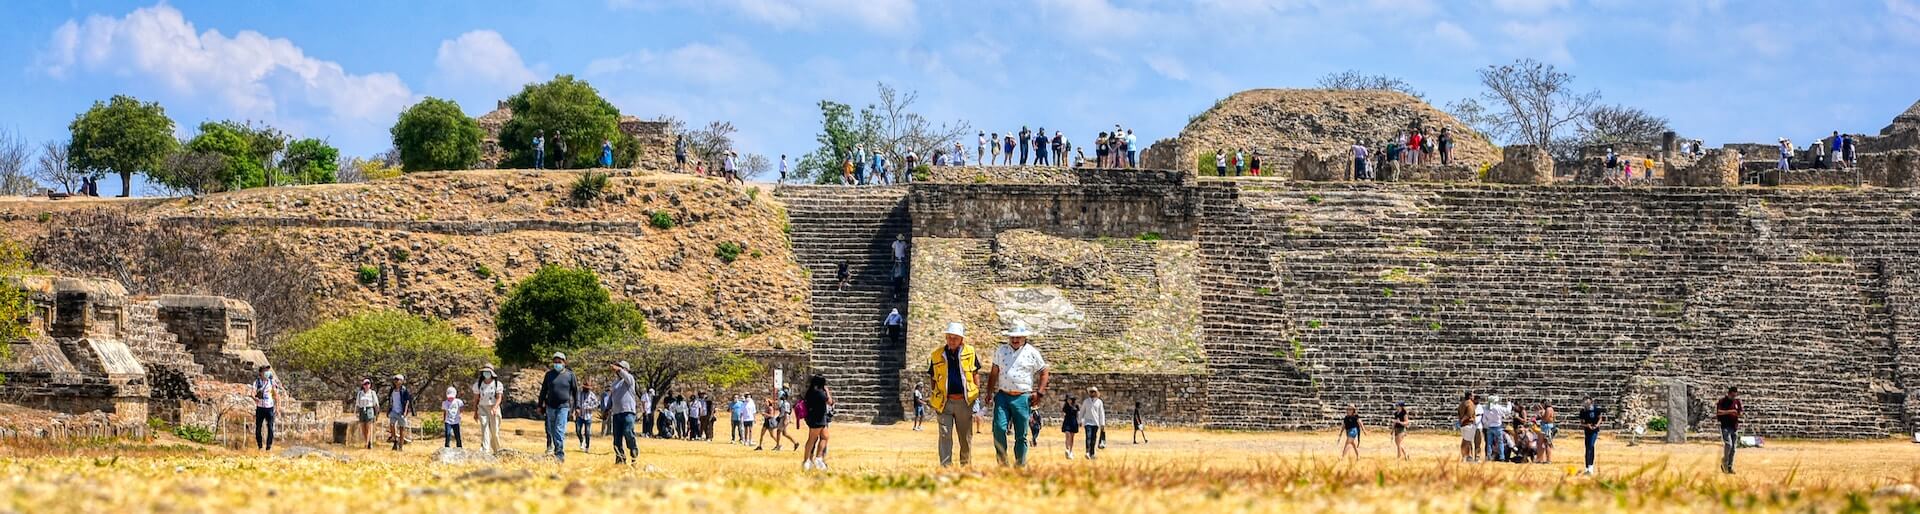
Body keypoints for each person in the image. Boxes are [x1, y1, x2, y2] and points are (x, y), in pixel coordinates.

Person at [987, 321, 1049, 467]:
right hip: (1003, 395)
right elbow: (994, 372)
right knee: (999, 428)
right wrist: (989, 392)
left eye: (1018, 337)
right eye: (1012, 337)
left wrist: (1039, 393)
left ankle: (1020, 464)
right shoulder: (1001, 350)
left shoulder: (1032, 352)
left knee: (1021, 434)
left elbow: (1044, 371)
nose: (1015, 340)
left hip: (1022, 397)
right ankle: (1002, 462)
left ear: (1024, 337)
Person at [929, 322, 982, 467]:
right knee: (945, 435)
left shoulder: (970, 352)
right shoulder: (937, 355)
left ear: (961, 340)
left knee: (965, 437)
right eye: (949, 337)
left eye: (955, 338)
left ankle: (965, 466)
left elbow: (975, 374)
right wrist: (935, 394)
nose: (952, 340)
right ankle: (946, 467)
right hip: (945, 402)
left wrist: (976, 395)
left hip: (964, 402)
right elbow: (933, 377)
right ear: (946, 338)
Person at [538, 352, 580, 463]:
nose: (557, 364)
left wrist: (577, 406)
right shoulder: (549, 375)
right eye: (555, 362)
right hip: (550, 406)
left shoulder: (570, 375)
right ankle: (553, 448)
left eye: (559, 362)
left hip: (564, 407)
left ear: (564, 362)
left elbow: (576, 392)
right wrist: (540, 404)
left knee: (559, 430)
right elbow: (543, 391)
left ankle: (560, 454)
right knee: (551, 429)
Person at [605, 360, 639, 464]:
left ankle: (633, 448)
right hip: (616, 413)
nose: (617, 370)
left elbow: (624, 374)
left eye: (621, 368)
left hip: (628, 411)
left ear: (626, 369)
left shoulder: (629, 379)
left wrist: (619, 369)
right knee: (617, 438)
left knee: (628, 431)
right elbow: (612, 397)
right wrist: (607, 409)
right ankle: (620, 458)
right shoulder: (615, 383)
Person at [801, 374, 834, 470]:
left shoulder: (810, 392)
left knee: (825, 437)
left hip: (814, 418)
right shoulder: (819, 393)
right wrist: (827, 391)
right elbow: (830, 402)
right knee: (812, 439)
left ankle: (818, 458)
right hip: (818, 418)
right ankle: (807, 460)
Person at [471, 365, 503, 453]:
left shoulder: (497, 384)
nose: (486, 374)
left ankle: (497, 450)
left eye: (488, 372)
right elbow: (476, 399)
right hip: (482, 408)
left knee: (494, 431)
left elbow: (499, 398)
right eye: (485, 372)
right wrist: (475, 412)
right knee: (484, 427)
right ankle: (485, 449)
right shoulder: (478, 385)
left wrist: (495, 407)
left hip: (493, 408)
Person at [1715, 387, 1742, 474]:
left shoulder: (1737, 402)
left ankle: (1729, 467)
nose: (1734, 397)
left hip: (1734, 427)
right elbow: (1719, 412)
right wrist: (1730, 412)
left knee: (1733, 448)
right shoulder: (1722, 401)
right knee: (1728, 445)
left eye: (1735, 395)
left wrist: (1738, 414)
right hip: (1726, 427)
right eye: (1732, 395)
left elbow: (1740, 412)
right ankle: (1724, 462)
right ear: (1729, 393)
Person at [251, 365, 279, 451]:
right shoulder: (257, 382)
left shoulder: (271, 382)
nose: (267, 373)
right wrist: (254, 398)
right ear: (260, 373)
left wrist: (277, 408)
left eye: (268, 371)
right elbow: (252, 392)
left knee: (270, 427)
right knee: (258, 428)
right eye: (265, 371)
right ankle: (260, 446)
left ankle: (268, 447)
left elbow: (276, 395)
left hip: (269, 407)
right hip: (260, 408)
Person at [386, 374, 414, 451]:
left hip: (401, 412)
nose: (396, 381)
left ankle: (400, 446)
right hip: (394, 411)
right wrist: (388, 410)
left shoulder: (404, 390)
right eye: (395, 379)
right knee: (392, 425)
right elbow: (390, 400)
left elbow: (407, 401)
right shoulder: (392, 390)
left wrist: (405, 411)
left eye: (398, 379)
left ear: (401, 381)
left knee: (402, 429)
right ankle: (395, 440)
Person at [352, 378, 379, 449]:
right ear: (363, 385)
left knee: (368, 427)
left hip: (369, 409)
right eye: (365, 384)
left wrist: (376, 413)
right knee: (363, 427)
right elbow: (357, 403)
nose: (367, 385)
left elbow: (376, 404)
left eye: (368, 383)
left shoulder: (372, 393)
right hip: (362, 410)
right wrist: (356, 412)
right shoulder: (360, 393)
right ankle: (368, 441)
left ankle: (367, 443)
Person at [1481, 394, 1509, 462]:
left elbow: (1484, 420)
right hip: (1498, 427)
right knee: (1500, 442)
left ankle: (1489, 456)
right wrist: (1509, 404)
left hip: (1490, 427)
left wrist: (1487, 424)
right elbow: (1508, 411)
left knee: (1489, 443)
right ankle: (1502, 457)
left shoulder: (1485, 408)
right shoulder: (1498, 407)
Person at [1578, 396, 1602, 475]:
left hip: (1594, 430)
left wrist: (1597, 425)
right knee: (1587, 448)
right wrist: (1587, 425)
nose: (1586, 404)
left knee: (1591, 446)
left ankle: (1591, 467)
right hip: (1587, 430)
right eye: (1585, 402)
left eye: (1587, 402)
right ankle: (1587, 467)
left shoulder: (1596, 409)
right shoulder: (1583, 411)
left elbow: (1600, 418)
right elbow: (1582, 423)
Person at [1080, 388, 1106, 460]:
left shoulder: (1099, 402)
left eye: (1093, 392)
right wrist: (1080, 420)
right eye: (1091, 392)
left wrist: (1102, 424)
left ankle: (1092, 453)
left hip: (1095, 423)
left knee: (1093, 438)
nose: (1092, 393)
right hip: (1088, 422)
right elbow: (1082, 411)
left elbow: (1101, 413)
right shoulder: (1086, 401)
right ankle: (1087, 452)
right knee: (1088, 436)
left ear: (1096, 393)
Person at [575, 379, 599, 452]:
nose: (586, 389)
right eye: (585, 388)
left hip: (588, 416)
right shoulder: (579, 394)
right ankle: (582, 440)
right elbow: (575, 402)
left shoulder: (592, 395)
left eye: (587, 388)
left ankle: (587, 446)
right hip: (580, 416)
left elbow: (597, 403)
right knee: (578, 430)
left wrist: (590, 407)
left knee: (587, 432)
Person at [1457, 392, 1476, 462]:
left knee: (1464, 441)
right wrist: (1462, 420)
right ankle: (1465, 457)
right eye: (1473, 395)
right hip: (1468, 424)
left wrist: (1460, 421)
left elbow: (1458, 413)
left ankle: (1466, 456)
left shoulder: (1462, 403)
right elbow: (1469, 415)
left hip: (1463, 425)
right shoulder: (1470, 404)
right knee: (1467, 442)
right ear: (1470, 396)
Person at [1060, 393, 1080, 460]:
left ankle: (1071, 451)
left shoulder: (1076, 406)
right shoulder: (1066, 406)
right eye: (1068, 399)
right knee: (1067, 434)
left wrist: (1079, 421)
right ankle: (1067, 449)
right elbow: (1062, 412)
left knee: (1072, 437)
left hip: (1073, 422)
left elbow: (1078, 414)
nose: (1069, 400)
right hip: (1067, 421)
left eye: (1070, 399)